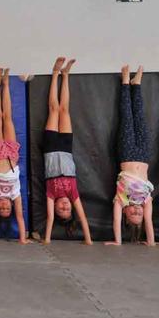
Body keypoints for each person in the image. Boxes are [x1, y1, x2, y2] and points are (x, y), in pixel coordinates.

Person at [42, 58, 92, 245]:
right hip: (65, 148)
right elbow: (83, 218)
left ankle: (56, 73)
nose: (64, 206)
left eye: (60, 209)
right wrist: (88, 239)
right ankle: (66, 75)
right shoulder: (73, 195)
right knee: (65, 111)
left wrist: (47, 239)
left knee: (54, 110)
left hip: (50, 148)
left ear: (55, 207)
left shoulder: (51, 194)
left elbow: (49, 219)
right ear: (72, 206)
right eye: (67, 209)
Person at [106, 65, 155, 246]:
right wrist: (151, 242)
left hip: (126, 154)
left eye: (132, 215)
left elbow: (115, 222)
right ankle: (137, 85)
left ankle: (126, 83)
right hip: (143, 155)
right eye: (139, 215)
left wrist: (118, 242)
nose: (136, 212)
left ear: (126, 215)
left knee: (127, 117)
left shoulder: (121, 200)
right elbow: (149, 223)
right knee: (140, 118)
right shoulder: (146, 200)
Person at [0, 68, 28, 244]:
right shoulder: (15, 194)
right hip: (11, 153)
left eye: (0, 209)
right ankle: (6, 83)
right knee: (8, 117)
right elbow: (20, 217)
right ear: (10, 206)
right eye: (6, 209)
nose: (3, 207)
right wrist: (23, 239)